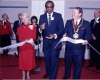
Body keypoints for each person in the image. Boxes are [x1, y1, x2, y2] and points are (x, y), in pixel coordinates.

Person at [63, 7, 92, 79]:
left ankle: (76, 78)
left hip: (79, 49)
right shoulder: (68, 22)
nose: (72, 13)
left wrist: (87, 41)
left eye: (74, 12)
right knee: (67, 64)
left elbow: (89, 35)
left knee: (78, 65)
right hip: (69, 48)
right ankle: (67, 75)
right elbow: (65, 31)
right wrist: (64, 34)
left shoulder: (86, 23)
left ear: (80, 14)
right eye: (72, 12)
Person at [39, 0, 64, 79]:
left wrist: (55, 35)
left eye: (50, 7)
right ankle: (48, 73)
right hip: (46, 43)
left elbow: (61, 29)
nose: (49, 8)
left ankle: (52, 77)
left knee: (54, 60)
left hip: (55, 42)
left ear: (53, 7)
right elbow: (39, 29)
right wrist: (40, 29)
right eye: (47, 7)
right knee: (47, 59)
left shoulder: (58, 16)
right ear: (45, 8)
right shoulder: (42, 17)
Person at [17, 12, 36, 80]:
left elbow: (34, 37)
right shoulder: (19, 28)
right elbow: (20, 38)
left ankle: (27, 75)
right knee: (23, 62)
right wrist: (26, 40)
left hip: (30, 47)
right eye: (24, 17)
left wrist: (31, 29)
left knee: (29, 62)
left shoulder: (33, 27)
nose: (26, 18)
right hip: (23, 47)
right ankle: (23, 75)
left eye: (27, 17)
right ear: (22, 20)